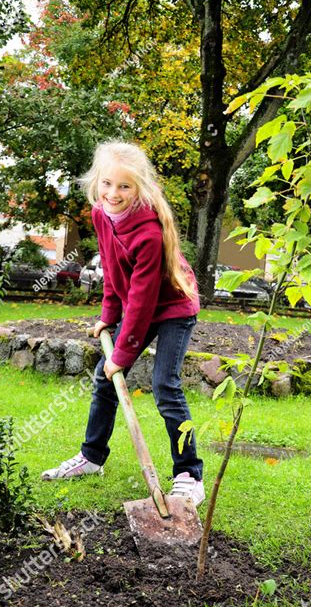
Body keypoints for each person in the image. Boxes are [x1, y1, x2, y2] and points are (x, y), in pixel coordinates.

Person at [42, 141, 204, 506]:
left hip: (175, 307)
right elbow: (114, 273)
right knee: (104, 376)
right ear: (96, 182)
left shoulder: (149, 233)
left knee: (165, 385)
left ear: (139, 188)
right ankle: (91, 457)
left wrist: (124, 351)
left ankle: (189, 474)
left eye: (125, 187)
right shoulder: (101, 215)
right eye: (107, 184)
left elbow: (144, 298)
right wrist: (107, 317)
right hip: (140, 306)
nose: (114, 194)